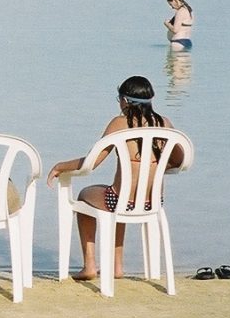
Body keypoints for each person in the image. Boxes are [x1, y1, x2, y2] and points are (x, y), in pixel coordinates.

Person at [45, 75, 182, 282]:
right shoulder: (164, 123)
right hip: (152, 203)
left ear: (125, 101)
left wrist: (60, 166)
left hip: (119, 201)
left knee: (85, 195)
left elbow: (90, 163)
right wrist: (155, 165)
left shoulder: (119, 123)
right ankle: (117, 267)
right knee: (117, 196)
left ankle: (89, 266)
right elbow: (179, 161)